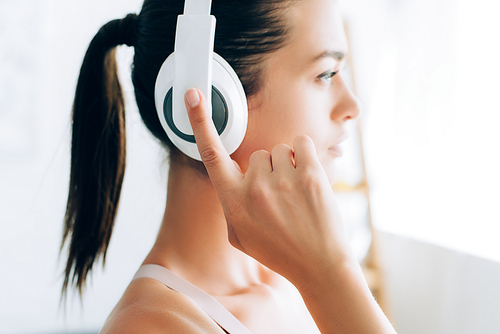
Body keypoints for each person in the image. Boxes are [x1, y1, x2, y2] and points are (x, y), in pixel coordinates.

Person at [61, 0, 397, 332]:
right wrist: (331, 276)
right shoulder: (150, 327)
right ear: (212, 98)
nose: (353, 105)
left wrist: (328, 275)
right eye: (326, 73)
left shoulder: (297, 278)